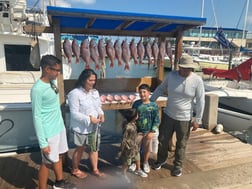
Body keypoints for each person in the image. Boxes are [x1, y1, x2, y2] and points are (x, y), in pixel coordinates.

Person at [150, 54, 205, 177]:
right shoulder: (171, 76)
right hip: (168, 114)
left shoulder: (197, 80)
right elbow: (160, 89)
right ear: (179, 67)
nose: (186, 70)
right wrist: (151, 101)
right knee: (162, 140)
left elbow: (201, 101)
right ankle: (161, 159)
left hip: (185, 119)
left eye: (189, 68)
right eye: (183, 68)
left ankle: (177, 165)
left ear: (192, 68)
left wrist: (198, 119)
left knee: (181, 143)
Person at [30, 55, 76, 189]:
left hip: (59, 127)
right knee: (47, 163)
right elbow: (36, 117)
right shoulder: (37, 90)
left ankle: (59, 182)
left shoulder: (52, 82)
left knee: (59, 155)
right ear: (46, 69)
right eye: (56, 70)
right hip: (48, 132)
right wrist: (43, 143)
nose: (58, 73)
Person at [67, 69, 105, 179]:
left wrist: (101, 114)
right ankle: (75, 169)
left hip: (94, 127)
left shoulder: (95, 92)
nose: (93, 82)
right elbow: (74, 113)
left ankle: (95, 169)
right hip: (81, 128)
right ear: (83, 80)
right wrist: (89, 119)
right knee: (80, 148)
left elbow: (98, 106)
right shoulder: (74, 93)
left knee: (94, 148)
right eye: (90, 80)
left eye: (94, 80)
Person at [131, 84, 160, 173]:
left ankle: (145, 162)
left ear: (149, 93)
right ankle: (135, 162)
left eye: (144, 92)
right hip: (138, 131)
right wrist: (132, 121)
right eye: (140, 92)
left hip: (148, 131)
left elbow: (156, 120)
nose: (142, 94)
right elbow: (132, 116)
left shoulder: (154, 105)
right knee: (136, 148)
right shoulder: (136, 104)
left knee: (147, 148)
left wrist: (152, 131)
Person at [120, 108, 148, 183]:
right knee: (127, 162)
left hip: (135, 145)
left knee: (137, 157)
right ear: (135, 117)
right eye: (137, 114)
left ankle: (138, 170)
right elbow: (124, 138)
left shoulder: (133, 123)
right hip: (128, 147)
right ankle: (123, 174)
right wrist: (123, 148)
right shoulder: (127, 126)